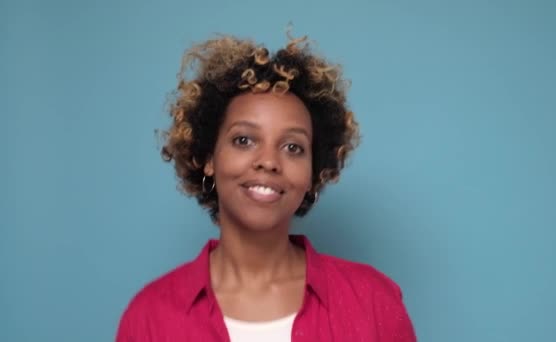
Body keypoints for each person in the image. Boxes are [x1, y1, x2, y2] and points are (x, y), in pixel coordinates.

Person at [116, 33, 417, 341]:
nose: (269, 161)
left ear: (313, 172)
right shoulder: (149, 316)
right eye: (243, 140)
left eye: (293, 147)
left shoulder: (373, 301)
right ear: (208, 158)